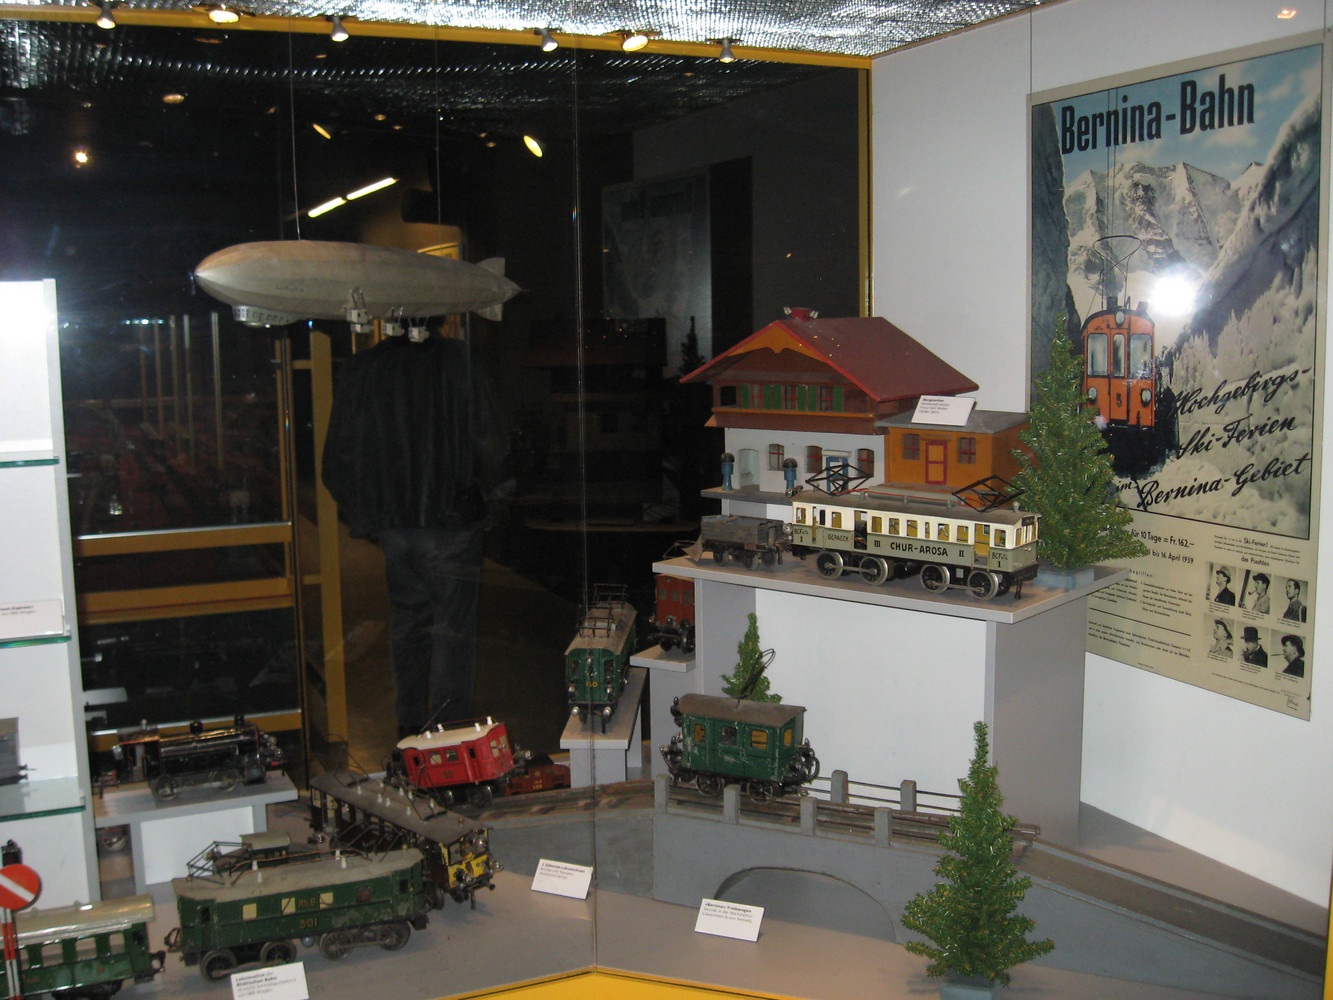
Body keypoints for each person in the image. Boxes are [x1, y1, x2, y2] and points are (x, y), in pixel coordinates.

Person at [322, 331, 512, 738]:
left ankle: (408, 720)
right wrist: (490, 501)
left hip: (394, 522)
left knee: (408, 619)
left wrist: (368, 511)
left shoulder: (365, 368)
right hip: (452, 520)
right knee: (453, 629)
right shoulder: (460, 361)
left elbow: (339, 456)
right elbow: (491, 442)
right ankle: (447, 727)